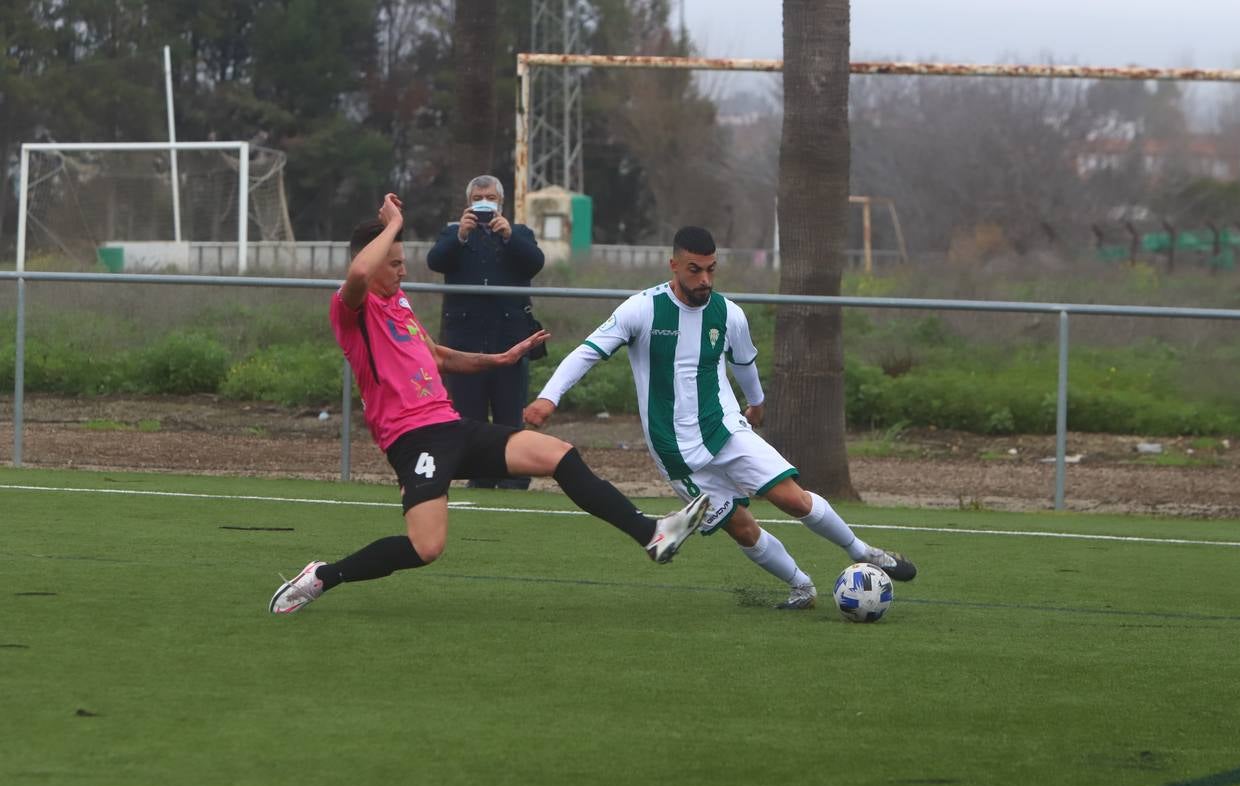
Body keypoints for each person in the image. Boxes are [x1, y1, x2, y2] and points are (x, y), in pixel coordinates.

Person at [269, 195, 709, 615]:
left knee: (558, 455)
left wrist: (497, 359)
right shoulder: (352, 308)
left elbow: (437, 355)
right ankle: (325, 576)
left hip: (452, 426)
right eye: (396, 263)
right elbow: (361, 273)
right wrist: (395, 224)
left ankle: (651, 534)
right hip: (412, 439)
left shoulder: (399, 304)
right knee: (427, 548)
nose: (404, 272)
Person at [523, 226, 916, 610]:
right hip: (674, 450)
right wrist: (548, 397)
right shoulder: (642, 309)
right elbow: (587, 352)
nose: (705, 279)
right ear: (673, 265)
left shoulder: (729, 314)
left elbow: (744, 362)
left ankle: (864, 551)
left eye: (711, 269)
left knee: (791, 499)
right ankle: (801, 586)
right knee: (742, 527)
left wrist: (757, 401)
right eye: (695, 270)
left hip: (725, 428)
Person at [426, 174, 544, 490]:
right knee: (470, 415)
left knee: (509, 414)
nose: (484, 203)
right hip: (465, 339)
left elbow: (535, 263)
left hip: (510, 335)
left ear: (501, 203)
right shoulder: (453, 233)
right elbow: (435, 261)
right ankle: (479, 477)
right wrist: (460, 236)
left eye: (491, 198)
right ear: (468, 203)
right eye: (479, 197)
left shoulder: (519, 233)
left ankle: (513, 478)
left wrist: (509, 238)